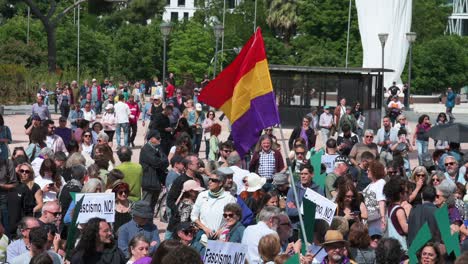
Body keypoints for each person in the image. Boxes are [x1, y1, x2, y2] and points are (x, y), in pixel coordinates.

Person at [190, 170, 236, 242]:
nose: (209, 182)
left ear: (220, 183)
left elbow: (234, 218)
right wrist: (205, 229)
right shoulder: (202, 195)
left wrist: (222, 230)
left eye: (213, 180)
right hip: (203, 236)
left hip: (221, 238)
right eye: (209, 179)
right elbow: (194, 216)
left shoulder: (229, 198)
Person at [287, 163, 324, 231]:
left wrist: (299, 208)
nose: (303, 176)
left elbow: (321, 211)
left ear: (312, 175)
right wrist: (305, 209)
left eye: (306, 174)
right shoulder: (293, 190)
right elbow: (289, 211)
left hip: (313, 228)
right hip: (296, 228)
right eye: (301, 174)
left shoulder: (318, 190)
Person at [140, 130, 169, 210]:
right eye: (157, 138)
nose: (160, 139)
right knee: (146, 207)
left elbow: (166, 161)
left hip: (157, 182)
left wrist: (161, 162)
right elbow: (156, 162)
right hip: (149, 183)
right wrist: (161, 161)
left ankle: (149, 222)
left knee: (152, 207)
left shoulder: (158, 149)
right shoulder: (146, 149)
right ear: (151, 139)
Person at [383, 178, 408, 251]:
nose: (407, 194)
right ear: (400, 194)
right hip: (401, 247)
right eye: (405, 192)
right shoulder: (399, 210)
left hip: (392, 246)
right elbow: (405, 229)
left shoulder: (390, 208)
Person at [362, 161, 386, 234]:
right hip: (368, 219)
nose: (367, 172)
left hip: (377, 219)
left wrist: (383, 217)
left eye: (369, 170)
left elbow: (381, 201)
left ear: (375, 171)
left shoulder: (381, 182)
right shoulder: (369, 185)